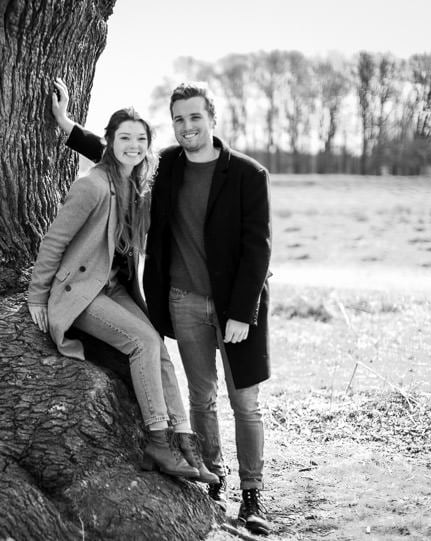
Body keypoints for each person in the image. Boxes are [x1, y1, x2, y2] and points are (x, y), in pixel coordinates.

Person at [51, 78, 272, 535]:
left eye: (195, 117)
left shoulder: (250, 174)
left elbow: (258, 248)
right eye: (178, 119)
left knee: (245, 403)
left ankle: (252, 497)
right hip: (184, 302)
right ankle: (214, 479)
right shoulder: (166, 166)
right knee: (202, 399)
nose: (187, 126)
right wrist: (68, 126)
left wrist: (241, 313)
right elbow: (115, 155)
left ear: (212, 119)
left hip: (237, 309)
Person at [27, 106, 219, 483]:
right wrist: (37, 295)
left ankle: (184, 442)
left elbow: (120, 154)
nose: (133, 146)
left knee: (159, 346)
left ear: (148, 146)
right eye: (124, 138)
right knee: (143, 341)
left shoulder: (136, 183)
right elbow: (54, 241)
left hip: (113, 288)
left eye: (141, 139)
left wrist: (68, 126)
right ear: (110, 143)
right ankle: (158, 442)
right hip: (81, 291)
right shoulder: (93, 186)